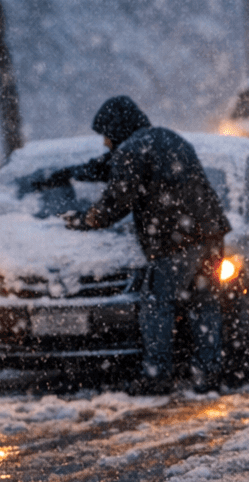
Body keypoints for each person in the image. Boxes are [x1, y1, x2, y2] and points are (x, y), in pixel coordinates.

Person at [37, 96, 231, 393]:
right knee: (203, 303)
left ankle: (157, 376)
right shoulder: (166, 138)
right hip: (210, 232)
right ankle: (209, 372)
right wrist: (72, 173)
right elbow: (112, 166)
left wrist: (85, 219)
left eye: (105, 135)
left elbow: (117, 200)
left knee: (156, 304)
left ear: (117, 129)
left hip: (175, 240)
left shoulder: (131, 150)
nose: (104, 142)